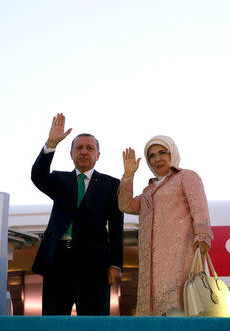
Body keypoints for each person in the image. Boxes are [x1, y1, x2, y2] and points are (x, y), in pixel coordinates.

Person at [31, 113, 124, 316]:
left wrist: (115, 264)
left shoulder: (111, 185)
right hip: (58, 262)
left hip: (95, 266)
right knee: (53, 322)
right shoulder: (59, 179)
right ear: (71, 154)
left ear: (98, 155)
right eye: (79, 148)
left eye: (89, 148)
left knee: (94, 323)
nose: (84, 152)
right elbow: (37, 177)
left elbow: (117, 228)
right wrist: (51, 144)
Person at [118, 135, 213, 316]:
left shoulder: (186, 176)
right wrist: (128, 175)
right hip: (151, 266)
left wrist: (202, 238)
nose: (157, 159)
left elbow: (199, 208)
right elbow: (125, 205)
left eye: (162, 152)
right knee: (154, 316)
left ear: (173, 153)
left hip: (179, 258)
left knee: (178, 311)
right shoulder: (149, 190)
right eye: (152, 156)